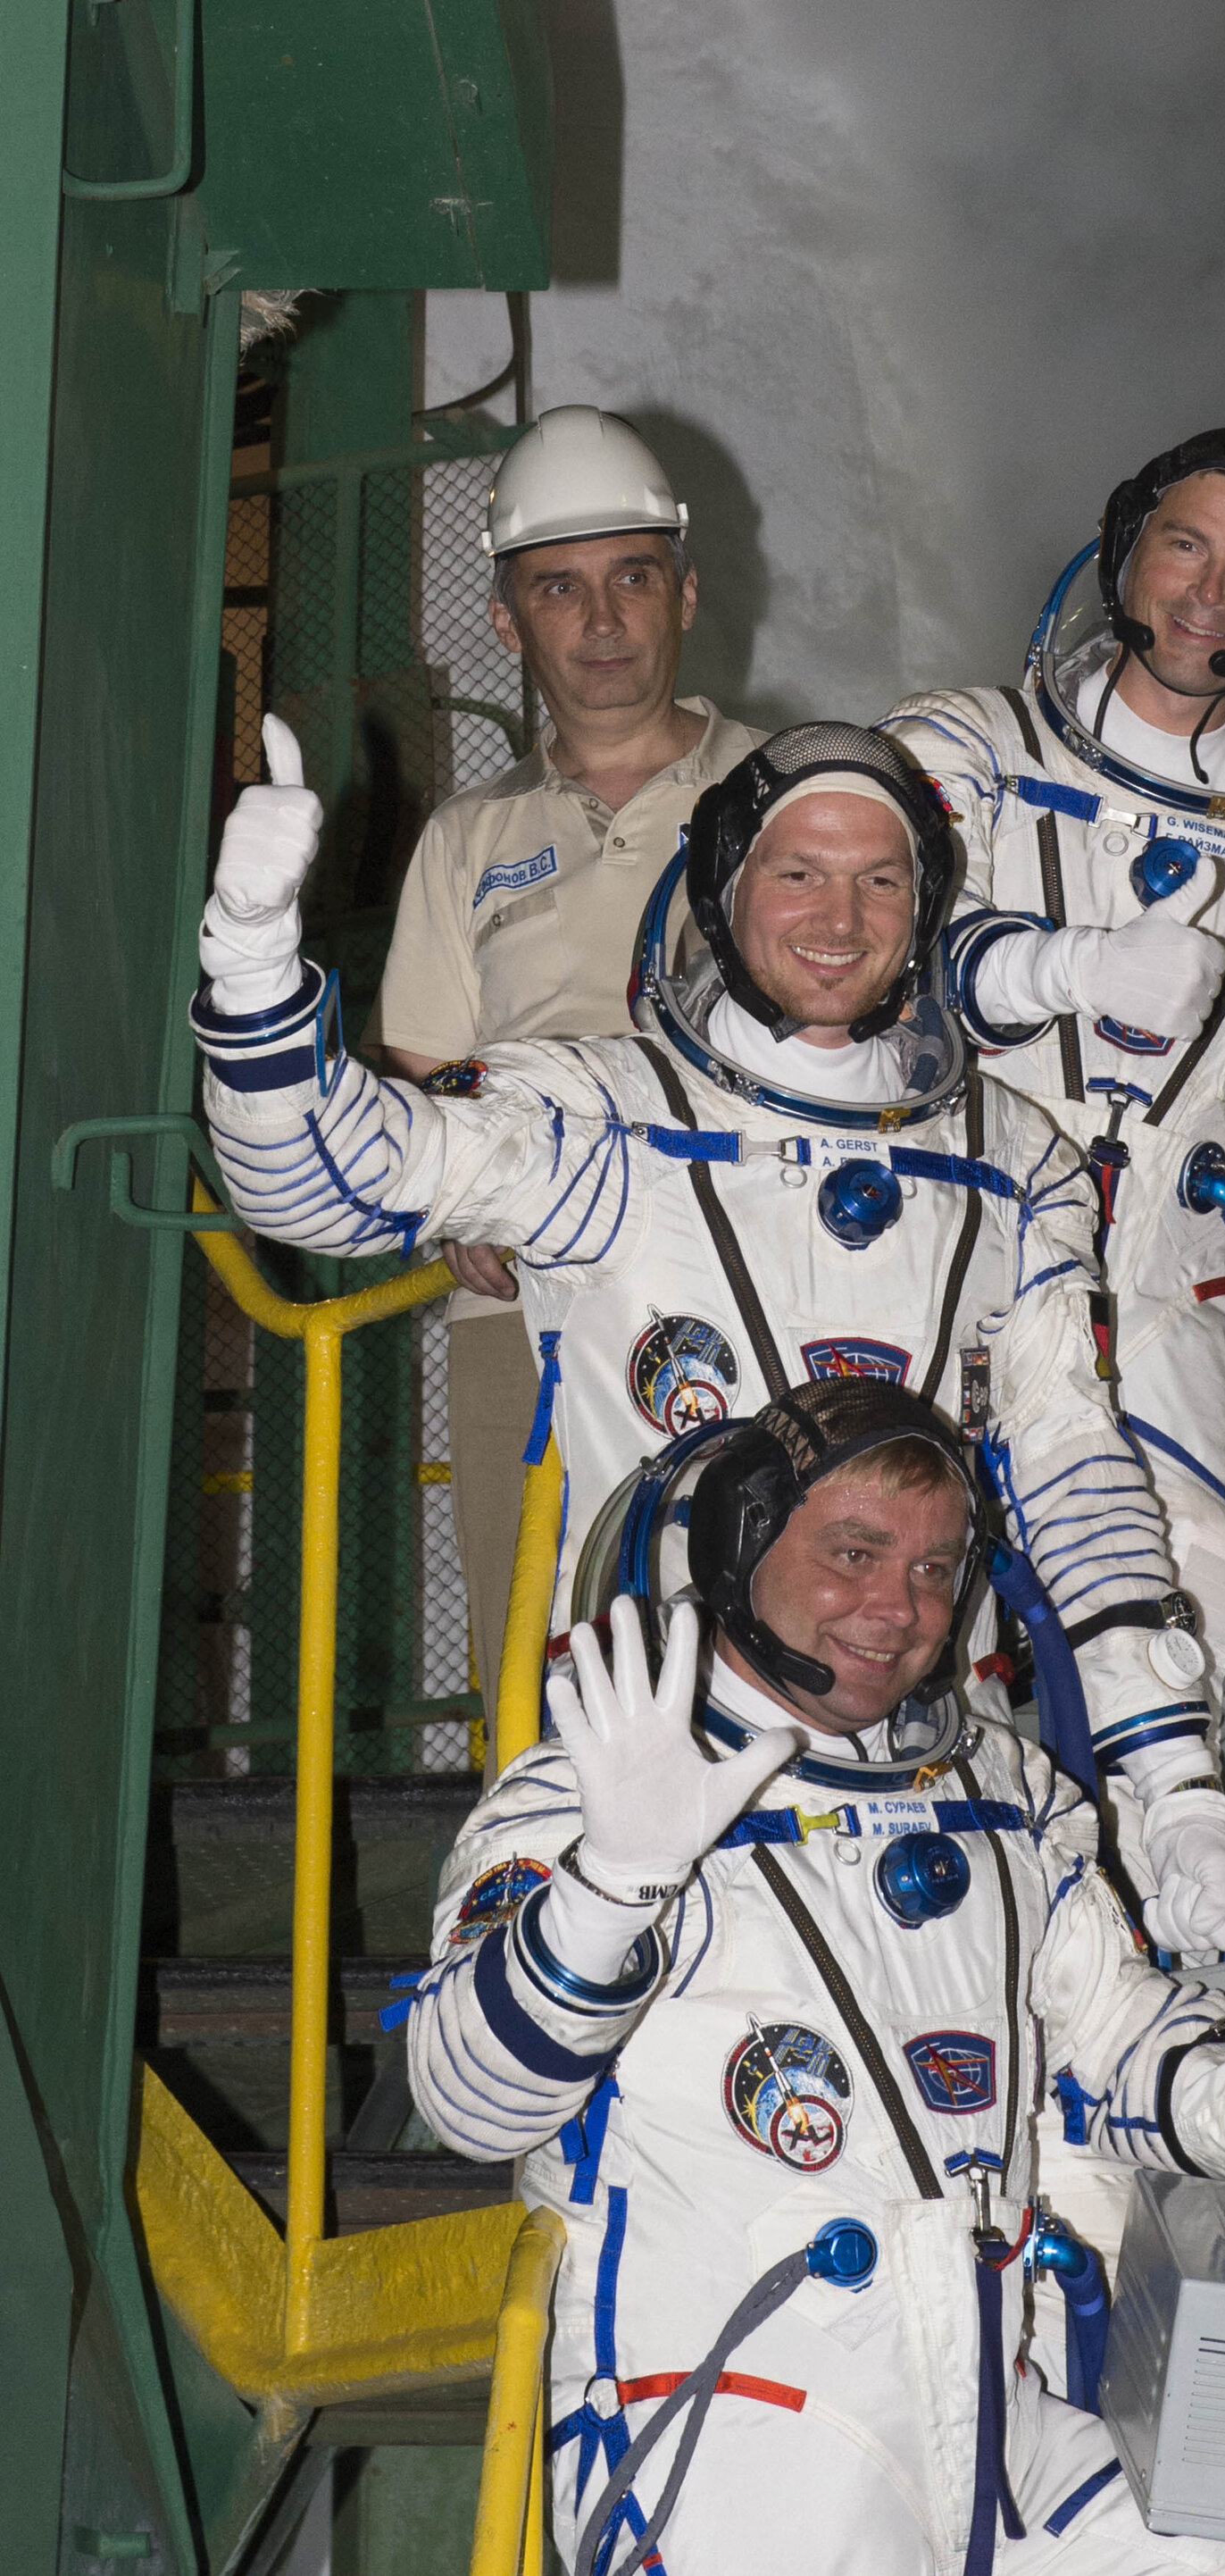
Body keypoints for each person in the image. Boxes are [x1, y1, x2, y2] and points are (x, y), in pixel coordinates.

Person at [192, 715, 1225, 1957]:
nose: (841, 918)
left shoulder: (1016, 1164)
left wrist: (1174, 1792)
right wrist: (256, 964)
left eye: (881, 879)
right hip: (654, 1792)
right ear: (722, 889)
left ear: (927, 910)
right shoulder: (609, 1120)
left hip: (948, 1794)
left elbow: (1079, 1483)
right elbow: (326, 1182)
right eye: (798, 872)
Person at [400, 1378, 1225, 2576]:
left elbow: (1125, 2032)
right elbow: (468, 2103)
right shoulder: (589, 1795)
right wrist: (615, 1885)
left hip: (991, 2431)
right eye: (853, 1553)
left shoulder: (1007, 1805)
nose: (897, 1608)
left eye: (933, 1571)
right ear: (740, 1546)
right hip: (731, 2430)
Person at [882, 427, 1225, 1727]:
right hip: (943, 1271)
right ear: (1125, 555)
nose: (1205, 592)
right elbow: (847, 960)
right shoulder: (960, 752)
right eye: (1185, 545)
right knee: (898, 1632)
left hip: (1169, 1313)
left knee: (1179, 1640)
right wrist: (1054, 971)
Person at [367, 406, 766, 1720]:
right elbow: (423, 1090)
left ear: (685, 593)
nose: (600, 620)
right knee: (541, 1690)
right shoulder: (468, 840)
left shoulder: (794, 793)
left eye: (630, 577)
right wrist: (460, 1213)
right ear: (506, 620)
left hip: (767, 1289)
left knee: (769, 1671)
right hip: (524, 1322)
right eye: (559, 588)